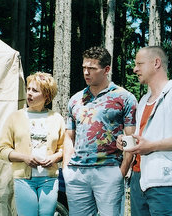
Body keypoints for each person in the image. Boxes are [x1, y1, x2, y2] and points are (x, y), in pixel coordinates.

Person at [117, 46, 172, 216]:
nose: (135, 69)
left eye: (139, 64)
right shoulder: (143, 101)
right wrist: (127, 142)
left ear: (156, 63)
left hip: (165, 182)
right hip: (138, 179)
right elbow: (146, 140)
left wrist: (152, 146)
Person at [62, 46, 137, 216]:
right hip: (77, 173)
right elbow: (68, 137)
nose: (86, 73)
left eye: (92, 68)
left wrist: (122, 171)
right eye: (84, 68)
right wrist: (66, 169)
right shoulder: (75, 100)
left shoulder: (124, 97)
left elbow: (131, 137)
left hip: (109, 170)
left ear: (106, 70)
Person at [0, 72, 65, 216]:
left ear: (46, 95)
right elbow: (2, 150)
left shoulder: (57, 118)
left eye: (35, 91)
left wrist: (54, 158)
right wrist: (24, 158)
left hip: (49, 179)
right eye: (28, 89)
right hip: (24, 180)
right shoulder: (15, 117)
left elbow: (63, 149)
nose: (29, 94)